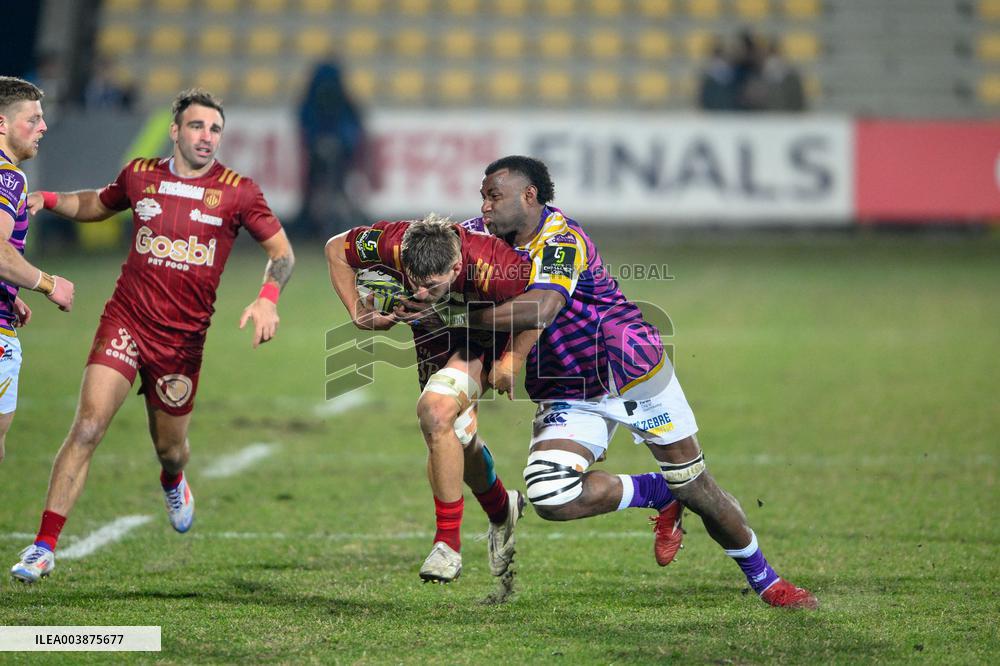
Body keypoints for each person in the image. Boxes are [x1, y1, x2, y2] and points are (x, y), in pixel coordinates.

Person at [449, 155, 817, 608]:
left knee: (696, 487)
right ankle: (656, 492)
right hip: (568, 386)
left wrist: (459, 318)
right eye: (482, 197)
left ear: (530, 196)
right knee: (549, 494)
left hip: (630, 372)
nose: (484, 206)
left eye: (494, 196)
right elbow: (433, 251)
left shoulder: (562, 240)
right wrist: (394, 288)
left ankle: (767, 580)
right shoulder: (478, 235)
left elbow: (541, 307)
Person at [10, 88, 294, 584]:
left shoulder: (238, 191)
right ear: (175, 130)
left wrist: (267, 297)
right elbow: (98, 204)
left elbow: (282, 253)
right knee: (88, 427)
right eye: (197, 126)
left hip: (181, 343)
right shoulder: (141, 175)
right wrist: (49, 199)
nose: (207, 137)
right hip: (126, 320)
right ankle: (43, 546)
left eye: (215, 129)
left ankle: (173, 479)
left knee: (171, 449)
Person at [326, 216, 536, 583]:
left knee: (436, 412)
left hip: (485, 334)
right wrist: (358, 312)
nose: (421, 294)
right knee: (457, 435)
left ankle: (447, 546)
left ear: (456, 268)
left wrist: (512, 360)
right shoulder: (391, 243)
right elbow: (335, 249)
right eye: (415, 283)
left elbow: (539, 306)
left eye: (431, 286)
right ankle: (503, 508)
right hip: (434, 338)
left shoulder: (497, 266)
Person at [0, 76, 76, 466]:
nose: (43, 127)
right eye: (33, 119)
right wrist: (47, 284)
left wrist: (8, 292)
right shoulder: (7, 177)